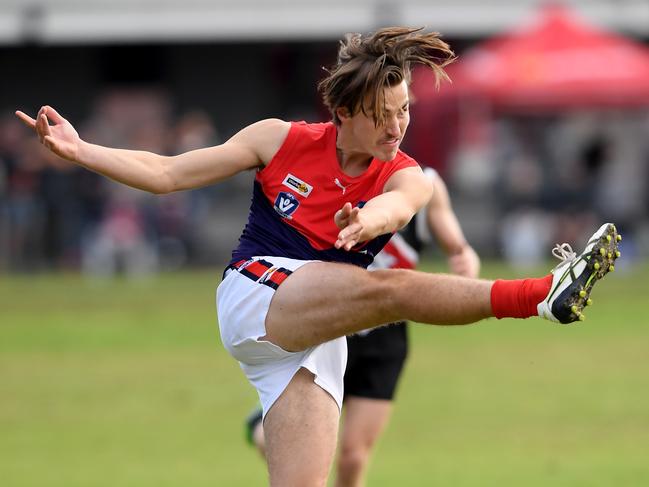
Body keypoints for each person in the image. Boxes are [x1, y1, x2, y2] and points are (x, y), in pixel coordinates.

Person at [16, 26, 620, 487]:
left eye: (405, 109)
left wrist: (368, 220)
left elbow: (401, 208)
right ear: (345, 112)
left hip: (316, 332)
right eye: (384, 116)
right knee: (392, 290)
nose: (398, 127)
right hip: (257, 293)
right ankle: (543, 294)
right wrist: (80, 150)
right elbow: (168, 173)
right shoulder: (278, 139)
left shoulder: (405, 173)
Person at [245, 167, 481, 487]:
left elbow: (458, 246)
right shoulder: (335, 176)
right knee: (274, 443)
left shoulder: (426, 184)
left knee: (354, 456)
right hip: (331, 323)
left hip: (386, 337)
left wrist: (465, 258)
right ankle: (260, 422)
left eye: (401, 114)